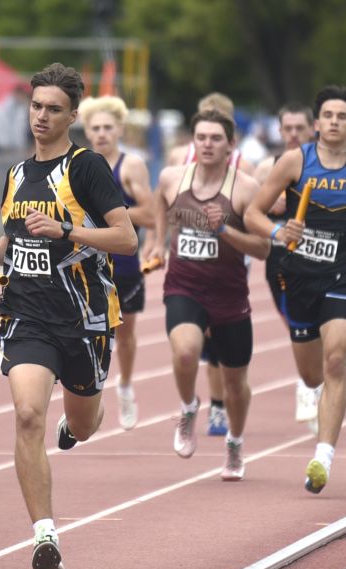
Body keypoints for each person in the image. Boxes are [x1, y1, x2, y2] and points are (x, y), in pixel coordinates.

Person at [0, 63, 137, 569]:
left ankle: (74, 423)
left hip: (82, 319)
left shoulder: (85, 169)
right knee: (25, 415)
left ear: (73, 116)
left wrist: (67, 230)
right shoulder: (18, 173)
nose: (41, 117)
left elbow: (126, 238)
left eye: (53, 110)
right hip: (26, 313)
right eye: (36, 107)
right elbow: (12, 233)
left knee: (84, 425)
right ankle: (44, 533)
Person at [245, 85, 346, 494]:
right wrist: (280, 230)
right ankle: (320, 380)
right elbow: (252, 212)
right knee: (312, 374)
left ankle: (323, 455)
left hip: (344, 276)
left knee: (335, 360)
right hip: (298, 278)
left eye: (341, 116)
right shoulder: (295, 162)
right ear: (317, 123)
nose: (333, 122)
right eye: (327, 115)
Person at [148, 109, 268, 480]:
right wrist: (157, 243)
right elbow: (159, 205)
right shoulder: (172, 178)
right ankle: (188, 408)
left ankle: (234, 441)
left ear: (231, 144)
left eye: (216, 138)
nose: (207, 144)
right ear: (192, 141)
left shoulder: (246, 189)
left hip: (230, 295)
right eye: (201, 137)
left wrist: (225, 232)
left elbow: (263, 248)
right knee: (185, 351)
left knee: (235, 385)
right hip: (184, 285)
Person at [78, 95, 156, 430]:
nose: (101, 134)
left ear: (120, 130)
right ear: (86, 130)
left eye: (108, 127)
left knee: (124, 334)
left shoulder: (131, 165)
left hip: (123, 263)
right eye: (95, 128)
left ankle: (124, 385)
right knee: (87, 333)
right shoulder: (78, 164)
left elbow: (151, 213)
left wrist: (111, 216)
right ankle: (89, 395)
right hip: (85, 263)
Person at [253, 102, 322, 429]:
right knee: (297, 326)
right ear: (279, 131)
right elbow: (248, 213)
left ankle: (309, 389)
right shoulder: (268, 168)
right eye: (288, 128)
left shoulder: (329, 167)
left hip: (323, 257)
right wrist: (271, 209)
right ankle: (312, 376)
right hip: (281, 259)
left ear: (313, 129)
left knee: (325, 324)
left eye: (300, 128)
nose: (294, 134)